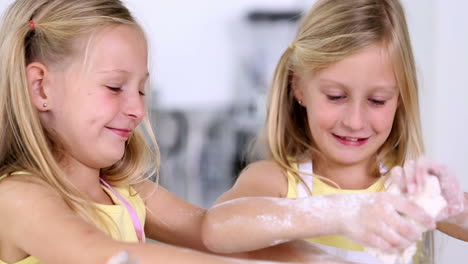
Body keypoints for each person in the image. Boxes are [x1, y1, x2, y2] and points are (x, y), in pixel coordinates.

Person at [0, 1, 354, 264]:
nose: (138, 109)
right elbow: (104, 256)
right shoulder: (18, 198)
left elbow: (212, 233)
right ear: (41, 88)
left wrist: (320, 259)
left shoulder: (125, 193)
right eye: (114, 87)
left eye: (141, 90)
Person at [201, 0, 467, 263]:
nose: (354, 121)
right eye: (336, 96)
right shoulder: (279, 183)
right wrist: (338, 213)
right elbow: (217, 228)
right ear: (299, 88)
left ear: (401, 99)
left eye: (377, 101)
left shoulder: (409, 192)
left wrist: (449, 208)